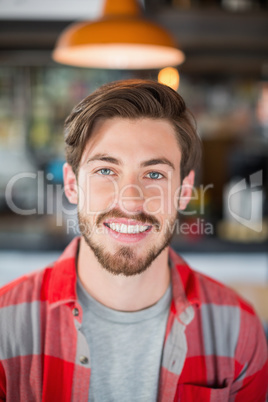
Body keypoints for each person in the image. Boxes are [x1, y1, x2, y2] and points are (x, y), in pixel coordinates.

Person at [0, 79, 267, 402]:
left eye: (154, 175)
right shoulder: (6, 325)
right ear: (72, 185)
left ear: (183, 192)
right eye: (106, 171)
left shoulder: (238, 329)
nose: (130, 202)